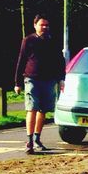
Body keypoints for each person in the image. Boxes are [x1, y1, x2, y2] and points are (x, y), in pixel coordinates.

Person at [14, 13, 64, 154]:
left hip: (49, 80)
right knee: (32, 108)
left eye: (47, 25)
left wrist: (61, 79)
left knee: (43, 110)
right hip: (32, 79)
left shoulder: (53, 41)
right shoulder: (28, 40)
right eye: (42, 25)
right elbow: (21, 61)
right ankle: (29, 141)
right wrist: (17, 83)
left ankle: (37, 138)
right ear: (35, 25)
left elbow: (60, 61)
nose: (45, 27)